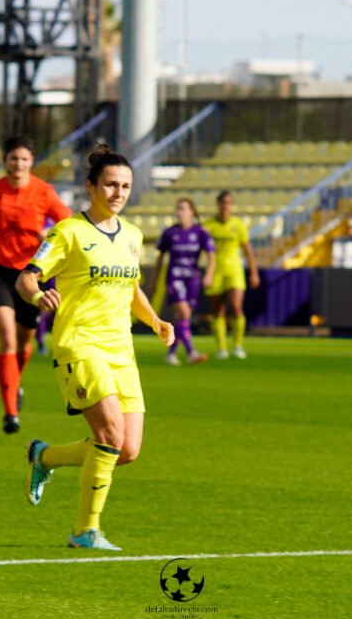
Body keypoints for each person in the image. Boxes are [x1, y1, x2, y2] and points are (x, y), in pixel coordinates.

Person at [15, 144, 174, 551]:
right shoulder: (68, 232)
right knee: (109, 433)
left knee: (127, 450)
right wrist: (37, 298)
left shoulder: (133, 236)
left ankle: (44, 457)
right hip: (80, 346)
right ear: (91, 187)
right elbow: (26, 278)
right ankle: (85, 531)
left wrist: (154, 320)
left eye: (125, 186)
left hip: (122, 350)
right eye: (110, 185)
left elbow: (132, 287)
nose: (118, 193)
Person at [0, 135, 72, 434]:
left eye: (24, 159)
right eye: (13, 158)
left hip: (30, 276)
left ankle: (14, 383)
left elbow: (67, 226)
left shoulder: (44, 192)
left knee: (25, 342)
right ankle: (10, 412)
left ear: (32, 162)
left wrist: (48, 235)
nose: (18, 163)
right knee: (7, 337)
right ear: (5, 161)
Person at [150, 197, 216, 366]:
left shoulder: (200, 232)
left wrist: (209, 274)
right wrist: (154, 280)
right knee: (185, 313)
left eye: (183, 209)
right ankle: (191, 352)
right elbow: (160, 257)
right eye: (178, 209)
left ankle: (171, 353)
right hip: (175, 277)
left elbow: (211, 255)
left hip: (192, 279)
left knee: (181, 318)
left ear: (192, 212)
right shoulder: (170, 232)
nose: (179, 212)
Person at [204, 190, 259, 359]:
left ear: (231, 205)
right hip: (215, 271)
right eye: (223, 203)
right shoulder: (208, 226)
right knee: (217, 310)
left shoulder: (238, 225)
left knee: (235, 306)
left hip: (234, 270)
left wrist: (254, 272)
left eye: (228, 203)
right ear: (218, 204)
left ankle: (238, 345)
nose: (225, 206)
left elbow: (247, 250)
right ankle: (221, 348)